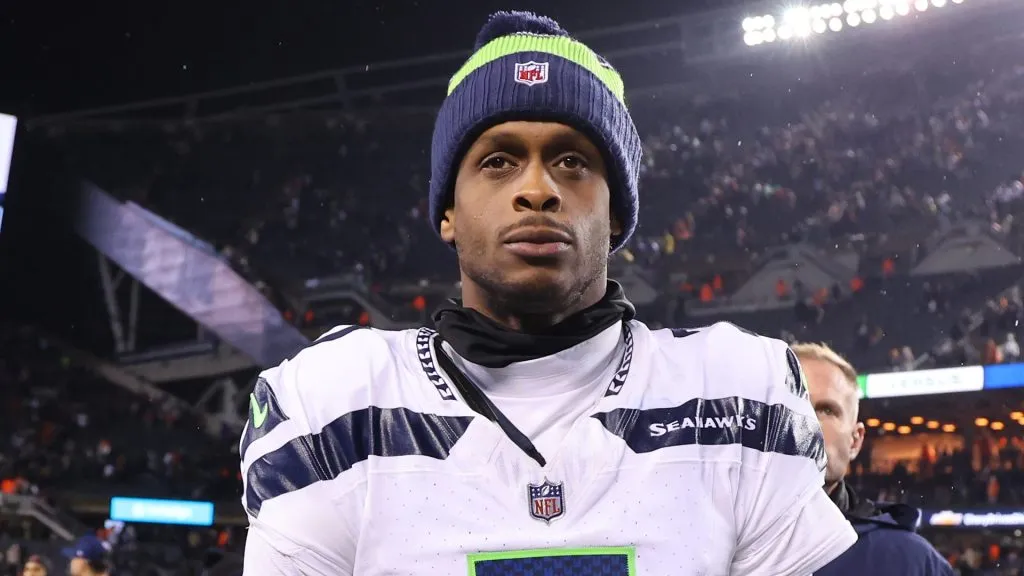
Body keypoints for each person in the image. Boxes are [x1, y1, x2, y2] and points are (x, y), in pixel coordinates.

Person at [240, 11, 856, 575]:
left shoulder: (736, 392)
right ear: (448, 211)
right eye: (498, 162)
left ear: (616, 213)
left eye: (572, 162)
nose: (537, 189)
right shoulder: (337, 405)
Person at [793, 343, 954, 576]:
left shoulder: (913, 564)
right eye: (792, 402)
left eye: (827, 410)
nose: (808, 420)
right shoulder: (732, 549)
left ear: (855, 441)